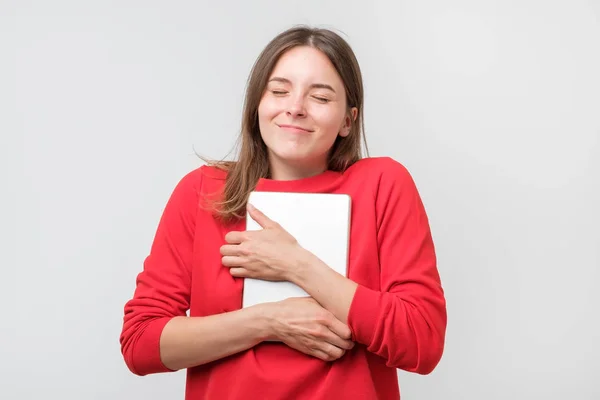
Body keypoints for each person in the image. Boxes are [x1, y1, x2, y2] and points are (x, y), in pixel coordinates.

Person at [120, 25, 447, 400]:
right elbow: (140, 343)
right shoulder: (203, 191)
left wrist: (296, 265)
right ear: (258, 104)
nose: (295, 107)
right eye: (279, 91)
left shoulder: (382, 184)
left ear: (347, 120)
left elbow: (422, 342)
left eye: (320, 97)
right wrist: (268, 321)